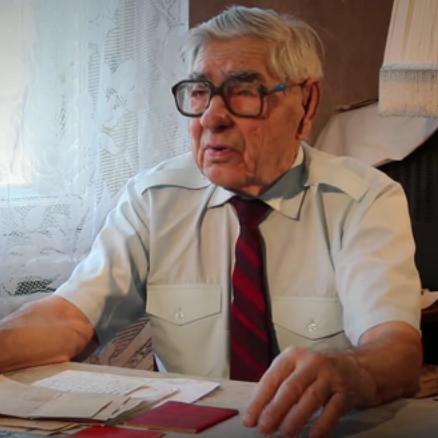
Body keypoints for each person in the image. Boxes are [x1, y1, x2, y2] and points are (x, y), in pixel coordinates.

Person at [0, 6, 422, 438]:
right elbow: (68, 319)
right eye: (200, 92)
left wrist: (353, 370)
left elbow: (396, 349)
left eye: (245, 91)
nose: (212, 118)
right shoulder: (154, 199)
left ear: (307, 102)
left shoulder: (364, 200)